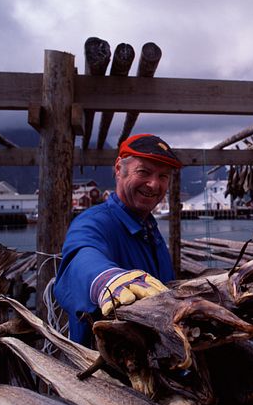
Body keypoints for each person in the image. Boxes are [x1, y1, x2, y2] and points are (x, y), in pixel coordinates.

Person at [54, 133, 182, 346]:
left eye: (163, 176)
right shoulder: (93, 222)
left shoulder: (150, 228)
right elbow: (80, 257)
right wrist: (106, 280)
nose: (154, 184)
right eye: (144, 172)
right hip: (102, 368)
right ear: (118, 170)